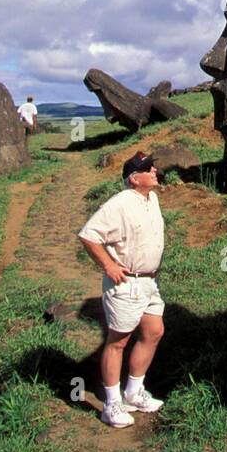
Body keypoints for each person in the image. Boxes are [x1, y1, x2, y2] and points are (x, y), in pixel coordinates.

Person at [77, 151, 166, 428]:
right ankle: (112, 405)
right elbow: (89, 235)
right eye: (147, 169)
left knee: (154, 331)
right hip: (126, 283)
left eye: (152, 167)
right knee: (118, 341)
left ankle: (133, 392)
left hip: (149, 283)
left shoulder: (151, 198)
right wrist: (109, 266)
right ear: (133, 178)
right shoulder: (120, 203)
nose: (154, 171)